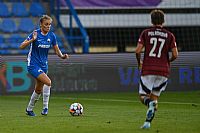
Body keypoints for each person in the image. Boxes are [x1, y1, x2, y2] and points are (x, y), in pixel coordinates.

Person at [135, 9, 178, 129]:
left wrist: (140, 63)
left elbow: (138, 51)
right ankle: (147, 123)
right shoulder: (170, 36)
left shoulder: (146, 33)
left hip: (148, 69)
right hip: (163, 71)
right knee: (155, 98)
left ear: (151, 20)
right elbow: (175, 54)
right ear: (163, 20)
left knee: (143, 96)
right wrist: (166, 61)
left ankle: (150, 105)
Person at [19, 15, 69, 116]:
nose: (48, 26)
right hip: (33, 65)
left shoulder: (52, 36)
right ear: (41, 24)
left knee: (38, 89)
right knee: (48, 82)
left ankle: (29, 109)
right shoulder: (35, 34)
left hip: (43, 65)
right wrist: (32, 40)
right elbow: (21, 46)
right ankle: (45, 107)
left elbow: (56, 49)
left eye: (50, 24)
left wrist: (62, 56)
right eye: (46, 24)